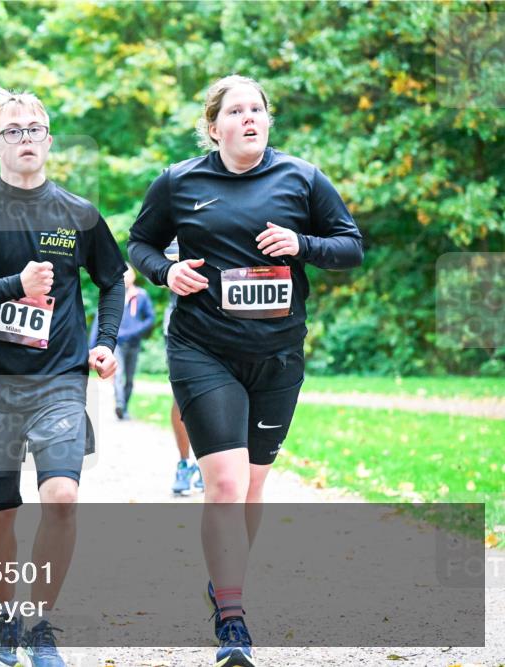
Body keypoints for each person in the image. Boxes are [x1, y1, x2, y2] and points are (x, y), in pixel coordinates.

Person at [128, 75, 363, 667]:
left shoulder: (302, 178)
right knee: (227, 484)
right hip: (202, 348)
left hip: (278, 354)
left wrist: (301, 245)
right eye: (236, 110)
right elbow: (139, 244)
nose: (250, 118)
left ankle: (223, 582)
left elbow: (350, 247)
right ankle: (232, 619)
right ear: (214, 126)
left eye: (258, 109)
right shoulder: (180, 182)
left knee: (253, 486)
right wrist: (166, 272)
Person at [0, 87, 126, 667]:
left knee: (62, 497)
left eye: (34, 128)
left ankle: (41, 623)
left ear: (48, 139)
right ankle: (6, 615)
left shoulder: (78, 213)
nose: (25, 138)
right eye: (12, 130)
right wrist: (16, 285)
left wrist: (104, 343)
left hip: (60, 378)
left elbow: (113, 280)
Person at [163, 240, 204, 496]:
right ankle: (184, 463)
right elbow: (161, 267)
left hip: (226, 323)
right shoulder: (179, 210)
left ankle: (206, 464)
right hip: (181, 324)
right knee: (183, 397)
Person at [89, 267, 155, 421]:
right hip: (117, 343)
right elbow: (100, 319)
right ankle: (119, 404)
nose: (125, 277)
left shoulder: (141, 295)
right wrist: (93, 345)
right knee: (118, 375)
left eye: (128, 274)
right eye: (122, 275)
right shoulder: (112, 295)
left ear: (133, 276)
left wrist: (135, 331)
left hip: (134, 342)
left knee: (130, 378)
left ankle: (124, 407)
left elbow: (150, 319)